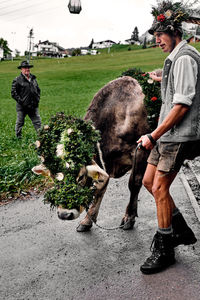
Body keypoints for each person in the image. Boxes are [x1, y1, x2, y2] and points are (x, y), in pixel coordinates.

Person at [137, 0, 200, 274]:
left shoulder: (185, 58)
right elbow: (177, 89)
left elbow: (183, 104)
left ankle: (165, 248)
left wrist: (153, 134)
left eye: (161, 34)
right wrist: (161, 80)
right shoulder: (176, 58)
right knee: (148, 182)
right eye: (155, 35)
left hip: (176, 135)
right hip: (166, 133)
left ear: (175, 31)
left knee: (160, 188)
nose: (157, 40)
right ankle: (180, 228)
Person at [11, 60, 41, 138]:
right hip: (22, 107)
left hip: (33, 105)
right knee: (20, 122)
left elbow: (38, 90)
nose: (27, 69)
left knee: (37, 122)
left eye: (28, 68)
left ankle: (41, 137)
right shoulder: (17, 80)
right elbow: (13, 93)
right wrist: (22, 101)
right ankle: (18, 137)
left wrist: (37, 99)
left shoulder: (33, 78)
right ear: (21, 69)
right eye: (25, 68)